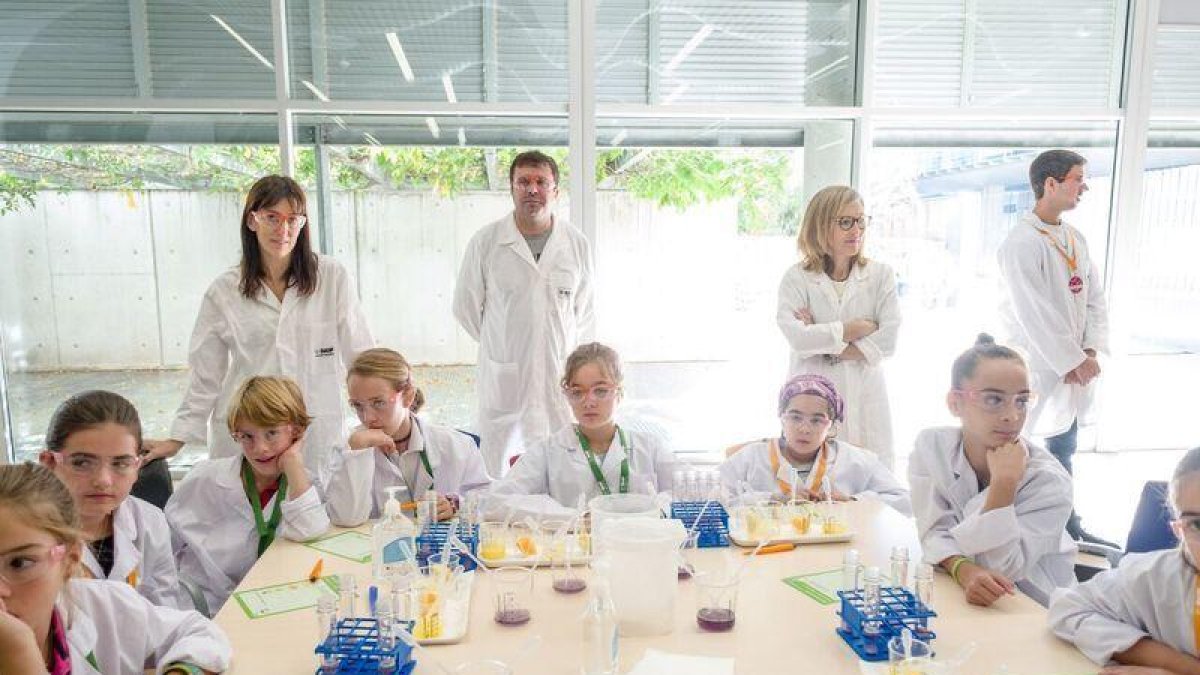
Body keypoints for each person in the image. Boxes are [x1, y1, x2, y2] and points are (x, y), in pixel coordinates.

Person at [144, 175, 374, 480]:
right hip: (251, 430)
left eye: (294, 219)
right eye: (272, 218)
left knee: (314, 514)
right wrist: (177, 438)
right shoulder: (225, 290)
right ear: (252, 221)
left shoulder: (331, 277)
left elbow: (360, 355)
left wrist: (382, 415)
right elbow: (206, 375)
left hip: (314, 426)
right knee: (246, 512)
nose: (284, 230)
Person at [0, 463, 231, 674]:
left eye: (19, 563)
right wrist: (21, 656)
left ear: (70, 560)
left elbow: (196, 631)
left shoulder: (102, 604)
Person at [452, 151, 595, 476]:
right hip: (505, 378)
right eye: (524, 182)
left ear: (555, 191)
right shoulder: (487, 242)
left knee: (563, 467)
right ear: (512, 189)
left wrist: (548, 343)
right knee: (496, 470)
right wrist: (502, 342)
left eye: (541, 182)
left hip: (558, 374)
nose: (532, 189)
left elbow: (582, 310)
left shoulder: (575, 244)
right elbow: (466, 308)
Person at [997, 149, 1113, 547]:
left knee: (1065, 444)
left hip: (1075, 363)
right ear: (1051, 183)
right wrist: (1070, 359)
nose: (1084, 187)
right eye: (1078, 179)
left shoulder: (1073, 237)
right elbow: (1033, 311)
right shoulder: (1021, 242)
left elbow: (1094, 297)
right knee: (1020, 447)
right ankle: (1018, 525)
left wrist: (1091, 350)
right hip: (1037, 365)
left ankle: (1066, 523)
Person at [908, 334, 1076, 608]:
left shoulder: (1049, 480)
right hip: (960, 593)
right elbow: (934, 529)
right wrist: (962, 569)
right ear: (954, 403)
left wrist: (1004, 485)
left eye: (1021, 401)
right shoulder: (932, 446)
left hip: (1034, 604)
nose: (1012, 416)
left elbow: (1004, 569)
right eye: (993, 400)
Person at [166, 376, 329, 613]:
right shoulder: (205, 479)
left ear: (296, 431)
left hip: (266, 606)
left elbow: (311, 532)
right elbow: (160, 550)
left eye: (271, 433)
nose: (260, 448)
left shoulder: (304, 485)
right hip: (200, 608)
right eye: (247, 436)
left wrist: (293, 463)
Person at [776, 185, 901, 469]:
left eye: (860, 221)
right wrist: (854, 328)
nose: (855, 230)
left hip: (866, 391)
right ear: (820, 226)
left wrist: (826, 342)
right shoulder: (797, 278)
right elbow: (798, 339)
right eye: (845, 222)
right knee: (810, 483)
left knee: (871, 480)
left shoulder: (880, 275)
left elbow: (889, 340)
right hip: (811, 394)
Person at [1048, 447, 1200, 672]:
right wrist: (1173, 663)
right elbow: (1068, 609)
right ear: (1179, 531)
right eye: (1198, 524)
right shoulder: (1155, 576)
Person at [485, 342, 675, 521]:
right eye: (577, 392)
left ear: (619, 392)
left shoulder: (651, 447)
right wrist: (574, 519)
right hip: (572, 550)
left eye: (600, 390)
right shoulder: (548, 451)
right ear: (567, 396)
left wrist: (651, 511)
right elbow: (497, 500)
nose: (588, 401)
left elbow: (686, 492)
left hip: (638, 546)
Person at [38, 391, 183, 609]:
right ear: (49, 463)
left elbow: (166, 612)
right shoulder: (21, 532)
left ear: (136, 467)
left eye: (120, 463)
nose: (103, 481)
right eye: (82, 463)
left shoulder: (150, 521)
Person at [324, 348, 492, 527]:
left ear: (408, 396)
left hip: (436, 550)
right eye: (357, 405)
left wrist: (457, 504)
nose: (367, 417)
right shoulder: (348, 449)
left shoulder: (456, 445)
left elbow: (487, 497)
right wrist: (357, 454)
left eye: (378, 403)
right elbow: (346, 519)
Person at [719, 374, 911, 516]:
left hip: (836, 551)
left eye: (817, 420)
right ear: (781, 417)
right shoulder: (748, 458)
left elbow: (904, 500)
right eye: (795, 417)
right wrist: (772, 499)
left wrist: (853, 500)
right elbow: (715, 503)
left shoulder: (856, 460)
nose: (805, 429)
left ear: (832, 424)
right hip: (766, 552)